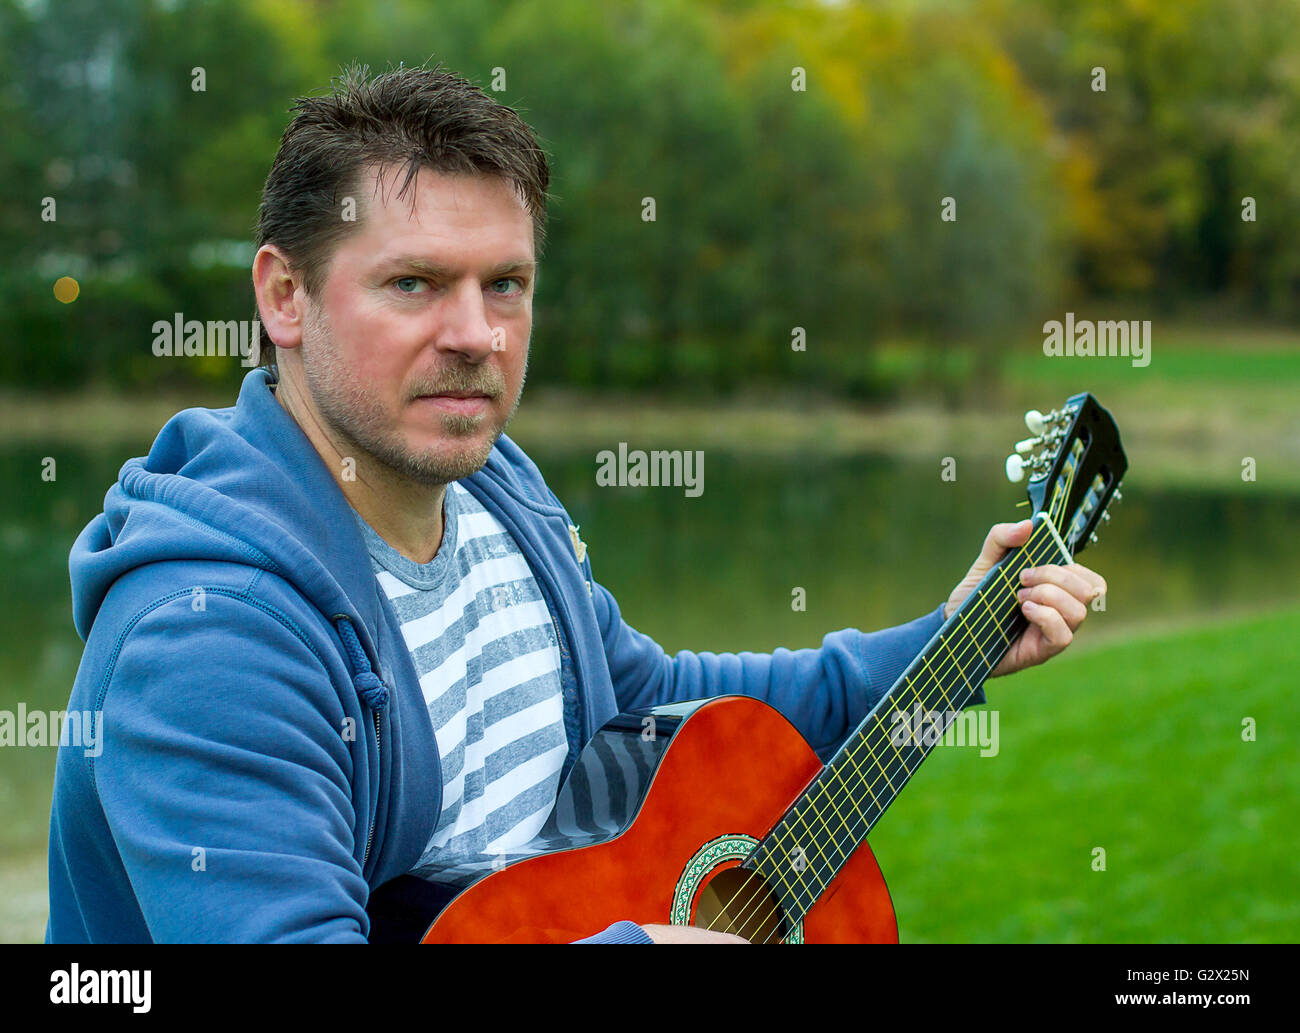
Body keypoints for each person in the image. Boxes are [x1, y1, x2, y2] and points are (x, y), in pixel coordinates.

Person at [46, 63, 1105, 944]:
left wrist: (948, 639)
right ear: (284, 296)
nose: (477, 335)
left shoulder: (495, 485)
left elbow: (641, 698)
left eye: (504, 284)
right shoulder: (209, 634)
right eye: (413, 283)